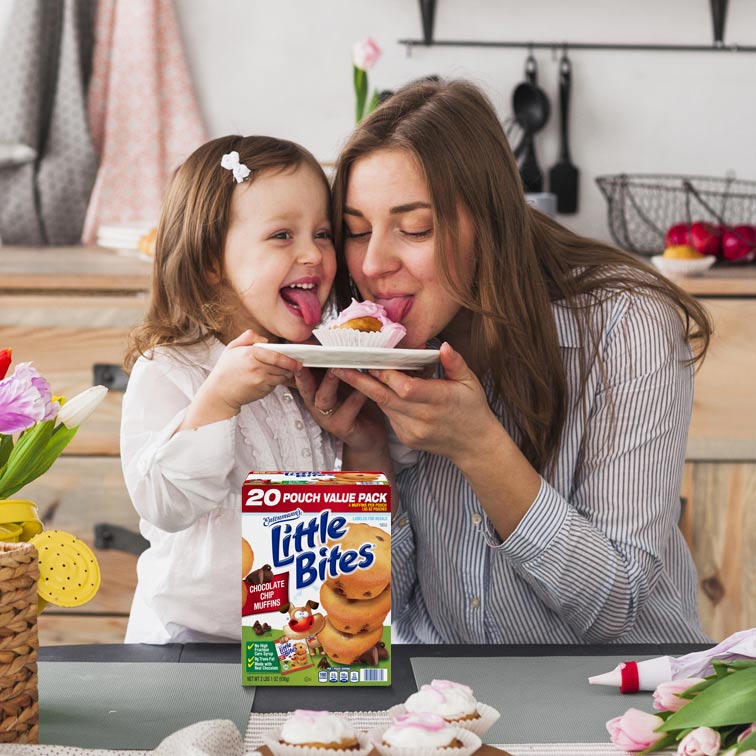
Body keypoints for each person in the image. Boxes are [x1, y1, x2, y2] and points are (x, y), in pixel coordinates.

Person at [310, 78, 713, 644]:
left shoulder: (627, 325)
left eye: (416, 228)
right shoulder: (357, 341)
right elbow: (355, 629)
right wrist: (366, 458)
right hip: (447, 706)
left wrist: (480, 447)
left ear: (491, 222)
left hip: (622, 702)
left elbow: (616, 609)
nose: (373, 262)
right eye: (356, 231)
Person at [121, 135, 390, 644]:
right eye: (283, 235)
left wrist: (363, 444)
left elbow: (359, 514)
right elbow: (161, 503)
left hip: (302, 641)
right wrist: (218, 401)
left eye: (324, 234)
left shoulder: (316, 366)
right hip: (190, 644)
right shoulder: (170, 369)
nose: (313, 254)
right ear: (211, 261)